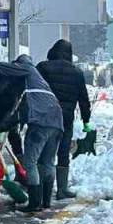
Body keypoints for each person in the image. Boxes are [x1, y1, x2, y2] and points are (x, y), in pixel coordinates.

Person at [0, 55, 63, 213]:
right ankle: (45, 202)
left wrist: (0, 129)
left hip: (39, 122)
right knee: (48, 162)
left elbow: (19, 112)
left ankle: (34, 203)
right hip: (56, 122)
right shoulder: (37, 82)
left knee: (31, 162)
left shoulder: (25, 72)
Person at [36, 40, 92, 200]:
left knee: (44, 153)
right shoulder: (77, 73)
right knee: (63, 152)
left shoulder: (43, 67)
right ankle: (61, 190)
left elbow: (35, 89)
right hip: (66, 119)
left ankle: (41, 189)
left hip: (46, 117)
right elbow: (84, 100)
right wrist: (86, 120)